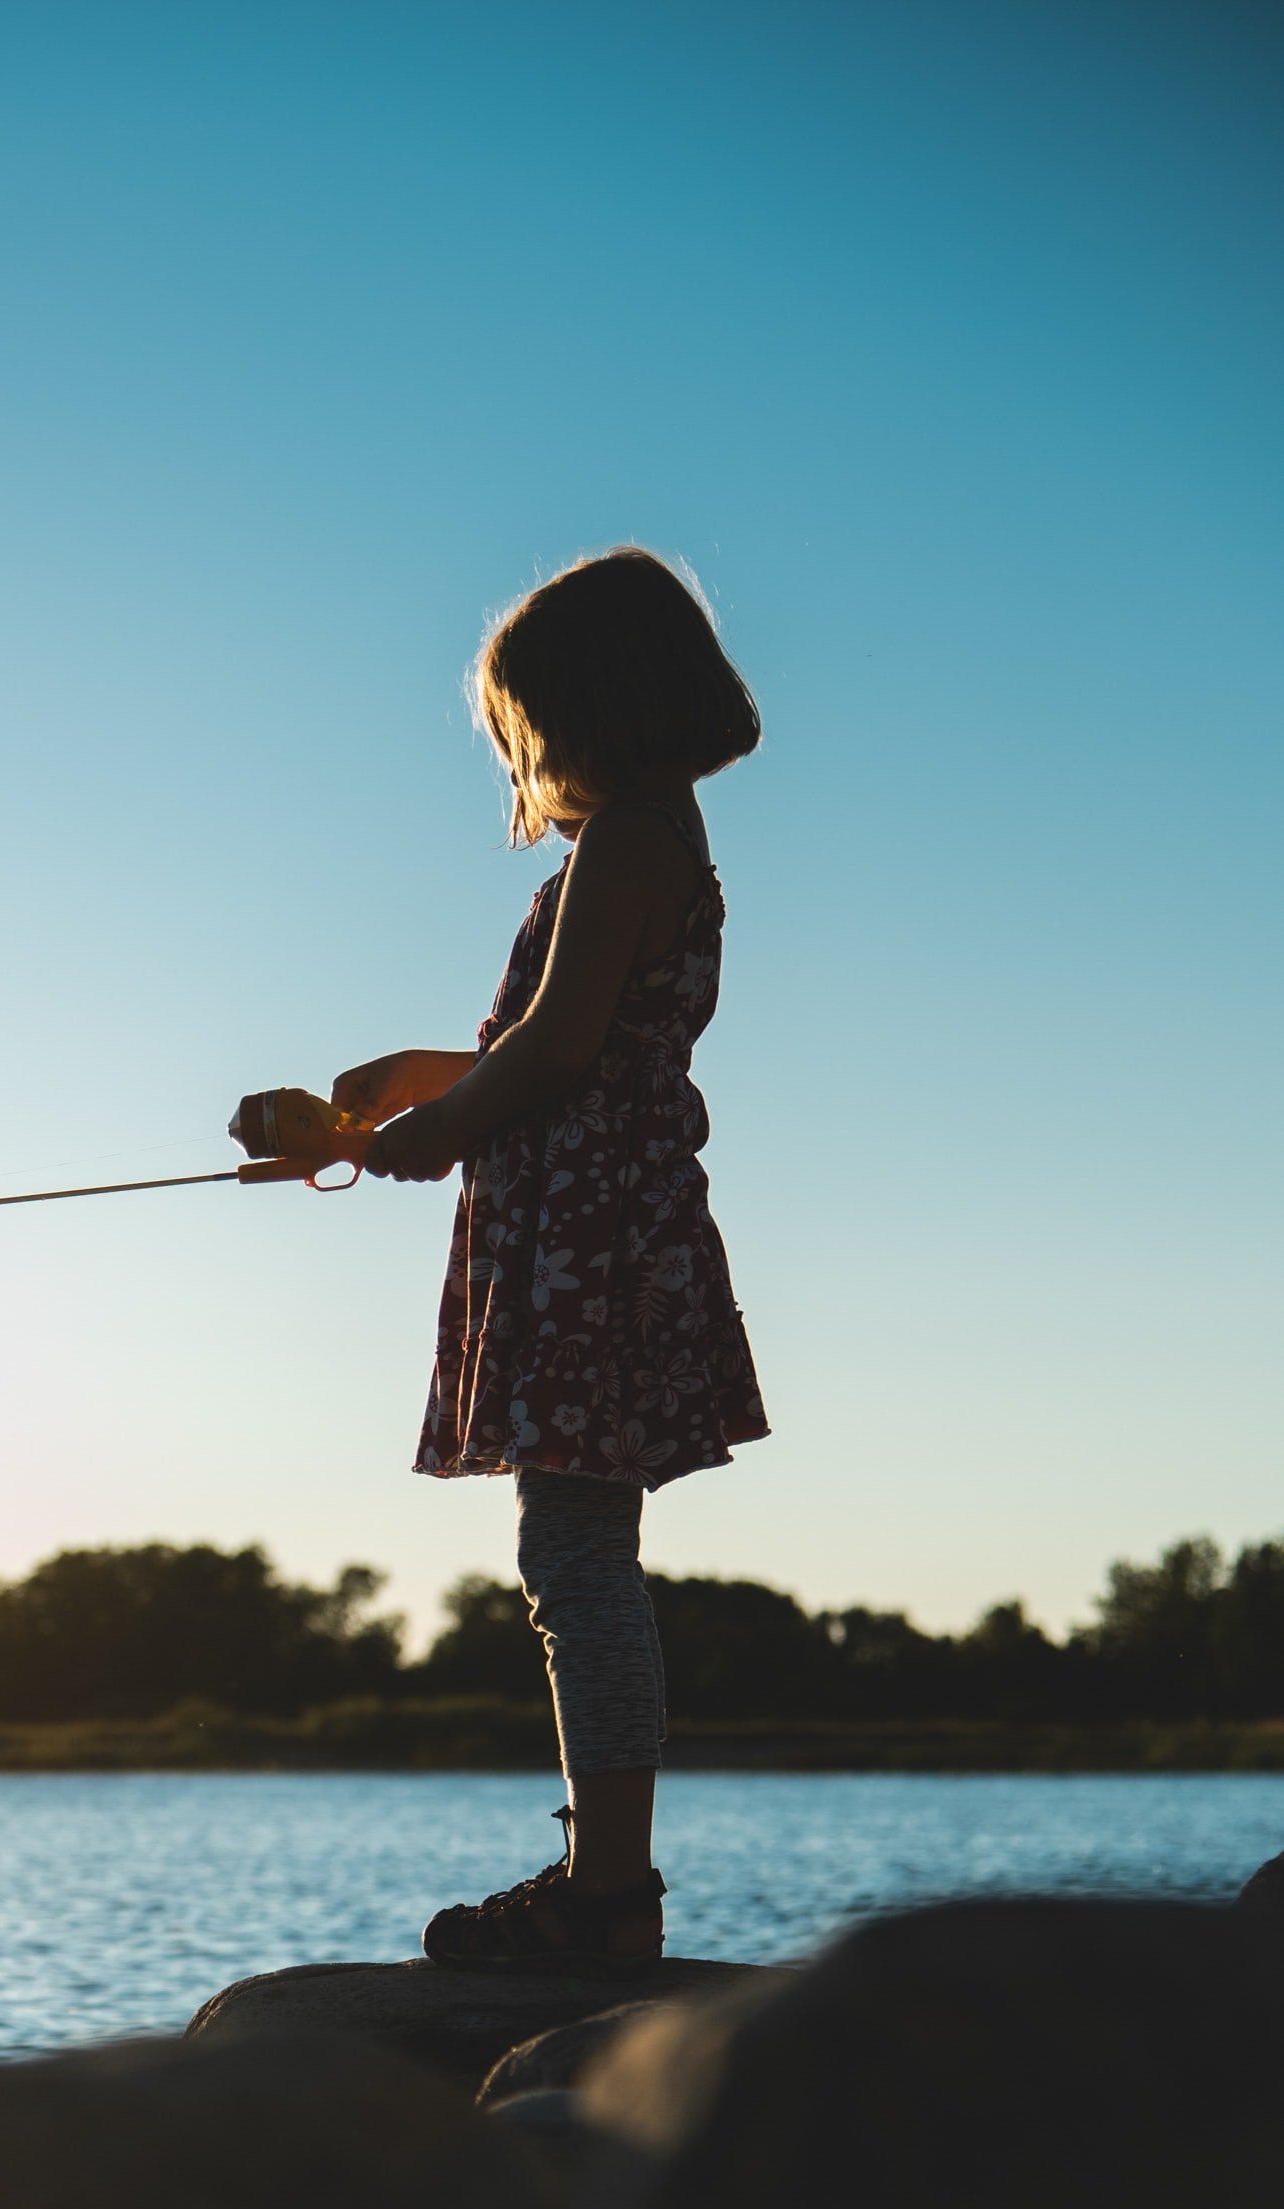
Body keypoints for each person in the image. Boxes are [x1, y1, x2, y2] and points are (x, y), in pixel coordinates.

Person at [340, 546, 768, 1970]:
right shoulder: (659, 838)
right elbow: (552, 1038)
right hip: (599, 1222)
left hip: (590, 1237)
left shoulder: (632, 841)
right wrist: (425, 1086)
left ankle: (609, 1897)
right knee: (580, 1550)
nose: (527, 763)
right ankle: (606, 1877)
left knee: (574, 1554)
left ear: (589, 712)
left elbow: (562, 1048)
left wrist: (440, 1133)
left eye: (529, 731)